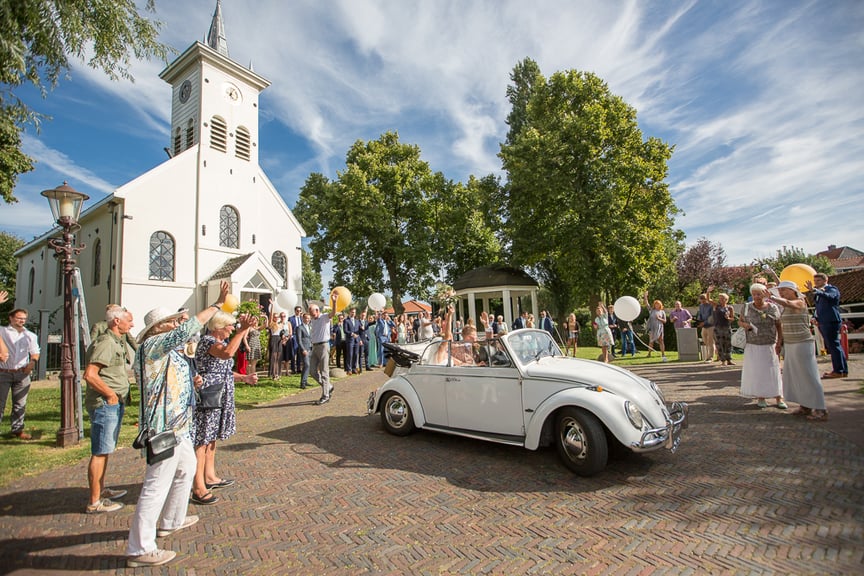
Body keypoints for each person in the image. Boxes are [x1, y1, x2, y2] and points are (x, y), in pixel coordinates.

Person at [126, 281, 230, 568]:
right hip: (164, 427)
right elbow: (188, 329)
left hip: (181, 426)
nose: (175, 325)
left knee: (187, 469)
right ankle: (139, 548)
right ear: (159, 327)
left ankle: (172, 519)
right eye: (171, 322)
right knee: (155, 485)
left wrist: (193, 383)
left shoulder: (170, 352)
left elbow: (178, 375)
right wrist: (217, 304)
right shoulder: (152, 345)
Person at [190, 312, 258, 506]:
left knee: (211, 438)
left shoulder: (220, 342)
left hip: (220, 395)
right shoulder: (207, 342)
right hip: (209, 395)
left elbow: (225, 370)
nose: (232, 329)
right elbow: (227, 353)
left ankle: (209, 477)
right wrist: (243, 330)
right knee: (202, 440)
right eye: (230, 326)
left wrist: (244, 378)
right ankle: (198, 487)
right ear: (219, 327)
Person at [82, 306, 135, 514]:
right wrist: (110, 395)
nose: (131, 325)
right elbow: (90, 374)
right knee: (100, 451)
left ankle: (101, 490)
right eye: (128, 321)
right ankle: (94, 502)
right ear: (116, 322)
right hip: (106, 404)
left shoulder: (115, 341)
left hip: (113, 403)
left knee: (105, 449)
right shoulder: (106, 343)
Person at [770, 281, 828, 421]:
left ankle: (821, 409)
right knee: (796, 375)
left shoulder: (800, 301)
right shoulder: (785, 305)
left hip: (802, 343)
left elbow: (790, 304)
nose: (782, 292)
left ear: (793, 290)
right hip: (790, 343)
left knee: (809, 375)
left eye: (784, 290)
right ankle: (805, 405)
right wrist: (780, 342)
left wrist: (773, 297)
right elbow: (783, 325)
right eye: (780, 290)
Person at [739, 284, 785, 409]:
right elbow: (740, 320)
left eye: (758, 294)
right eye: (754, 294)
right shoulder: (747, 307)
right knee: (758, 371)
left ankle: (778, 396)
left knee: (773, 370)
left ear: (764, 294)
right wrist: (745, 325)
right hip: (753, 343)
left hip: (770, 342)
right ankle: (761, 396)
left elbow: (778, 324)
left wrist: (779, 341)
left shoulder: (773, 307)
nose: (756, 297)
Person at [0, 306, 40, 440]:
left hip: (22, 373)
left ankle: (17, 429)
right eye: (19, 318)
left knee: (20, 403)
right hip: (4, 372)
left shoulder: (30, 335)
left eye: (24, 319)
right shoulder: (3, 331)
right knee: (1, 403)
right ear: (11, 318)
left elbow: (35, 352)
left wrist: (32, 363)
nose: (22, 321)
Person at [806, 273, 848, 379]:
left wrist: (816, 291)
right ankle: (841, 369)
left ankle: (839, 370)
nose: (816, 283)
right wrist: (815, 317)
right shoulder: (818, 293)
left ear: (825, 280)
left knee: (834, 346)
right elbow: (819, 307)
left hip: (831, 321)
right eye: (815, 281)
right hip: (823, 321)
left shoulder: (831, 289)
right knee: (832, 346)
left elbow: (831, 296)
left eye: (818, 281)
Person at [310, 292, 339, 405]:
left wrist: (335, 301)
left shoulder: (324, 317)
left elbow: (333, 313)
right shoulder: (313, 320)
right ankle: (329, 387)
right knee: (312, 371)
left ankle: (325, 395)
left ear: (317, 311)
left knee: (324, 371)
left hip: (323, 346)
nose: (310, 313)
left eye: (311, 311)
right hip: (315, 346)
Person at [643, 292, 668, 361]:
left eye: (658, 304)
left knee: (661, 341)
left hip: (659, 328)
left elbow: (665, 321)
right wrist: (645, 296)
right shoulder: (652, 311)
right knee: (651, 341)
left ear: (660, 305)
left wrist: (659, 318)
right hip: (652, 328)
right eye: (656, 304)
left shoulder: (662, 312)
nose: (657, 305)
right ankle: (649, 353)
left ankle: (663, 353)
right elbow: (646, 304)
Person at [713, 293, 735, 366]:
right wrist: (708, 292)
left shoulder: (730, 308)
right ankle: (723, 360)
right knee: (719, 344)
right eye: (720, 298)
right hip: (718, 327)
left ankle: (729, 359)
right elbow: (708, 300)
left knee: (728, 344)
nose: (721, 300)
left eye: (723, 298)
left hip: (727, 327)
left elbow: (732, 318)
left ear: (726, 300)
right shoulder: (717, 306)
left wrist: (728, 318)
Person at [696, 288, 716, 362]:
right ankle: (712, 352)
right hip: (703, 326)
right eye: (701, 299)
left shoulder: (710, 306)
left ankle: (710, 357)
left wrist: (704, 323)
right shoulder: (701, 306)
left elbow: (711, 316)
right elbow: (700, 314)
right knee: (705, 340)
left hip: (710, 325)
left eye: (704, 299)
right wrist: (699, 322)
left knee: (711, 341)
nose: (702, 300)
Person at [296, 312, 312, 388]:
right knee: (306, 364)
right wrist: (303, 349)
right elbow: (299, 340)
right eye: (306, 318)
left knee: (308, 366)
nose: (307, 320)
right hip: (304, 349)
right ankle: (302, 383)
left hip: (311, 348)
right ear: (303, 318)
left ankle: (305, 381)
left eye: (309, 318)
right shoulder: (299, 327)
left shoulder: (310, 326)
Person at [343, 308, 360, 374]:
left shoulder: (357, 321)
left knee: (355, 354)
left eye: (354, 312)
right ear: (349, 312)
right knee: (350, 354)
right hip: (350, 340)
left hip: (356, 340)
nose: (353, 313)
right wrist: (352, 334)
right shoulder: (346, 321)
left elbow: (359, 330)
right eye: (352, 312)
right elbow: (345, 330)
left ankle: (354, 368)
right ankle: (348, 369)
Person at [267, 313, 283, 380]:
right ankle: (273, 374)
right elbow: (270, 316)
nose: (276, 318)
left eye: (277, 317)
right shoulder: (271, 324)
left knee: (278, 357)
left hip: (279, 339)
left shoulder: (280, 324)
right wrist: (272, 305)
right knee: (273, 357)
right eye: (275, 317)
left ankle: (278, 373)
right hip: (273, 339)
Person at [288, 306, 304, 374]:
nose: (298, 312)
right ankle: (293, 369)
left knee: (299, 353)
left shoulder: (302, 319)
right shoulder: (291, 318)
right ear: (295, 311)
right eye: (297, 310)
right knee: (293, 352)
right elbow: (289, 327)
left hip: (301, 336)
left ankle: (298, 368)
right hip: (294, 335)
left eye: (300, 311)